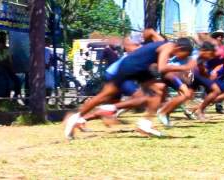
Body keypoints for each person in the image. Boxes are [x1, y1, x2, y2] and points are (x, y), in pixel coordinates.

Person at [64, 31, 194, 140]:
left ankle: (144, 124)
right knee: (104, 96)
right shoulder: (168, 47)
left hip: (140, 68)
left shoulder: (166, 45)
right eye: (185, 55)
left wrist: (146, 38)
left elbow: (150, 34)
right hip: (131, 67)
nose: (183, 58)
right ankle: (77, 117)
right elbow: (162, 67)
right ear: (180, 48)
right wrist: (186, 67)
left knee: (158, 91)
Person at [0, 31, 21, 98]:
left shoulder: (7, 49)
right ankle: (16, 95)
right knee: (17, 81)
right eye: (4, 37)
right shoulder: (6, 49)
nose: (4, 39)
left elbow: (9, 61)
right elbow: (9, 61)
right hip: (2, 68)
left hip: (5, 68)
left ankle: (16, 95)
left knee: (17, 80)